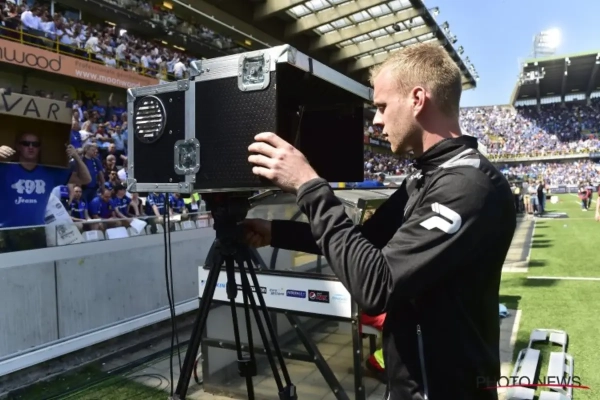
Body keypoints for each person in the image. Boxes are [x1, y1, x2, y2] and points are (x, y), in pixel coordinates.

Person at [243, 43, 516, 400]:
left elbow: (376, 286)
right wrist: (276, 231)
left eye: (383, 106)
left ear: (417, 99)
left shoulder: (467, 185)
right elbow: (363, 240)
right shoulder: (426, 176)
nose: (375, 120)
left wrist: (308, 185)